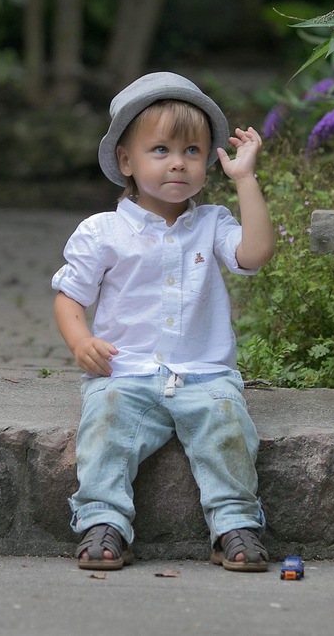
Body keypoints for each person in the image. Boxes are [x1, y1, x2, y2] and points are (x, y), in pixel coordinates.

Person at [51, 71, 275, 572]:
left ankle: (235, 523)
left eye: (192, 151)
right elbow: (70, 298)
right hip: (124, 372)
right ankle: (102, 520)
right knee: (105, 426)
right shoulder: (103, 231)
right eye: (160, 150)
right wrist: (80, 341)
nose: (178, 162)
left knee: (227, 428)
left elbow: (256, 254)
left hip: (205, 373)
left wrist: (245, 179)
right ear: (126, 161)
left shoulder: (213, 223)